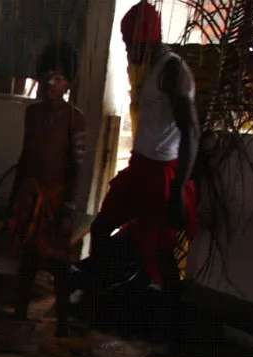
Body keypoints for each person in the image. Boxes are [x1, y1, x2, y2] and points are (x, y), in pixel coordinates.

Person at [88, 0, 199, 322]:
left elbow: (191, 131)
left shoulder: (173, 71)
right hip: (140, 166)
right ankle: (95, 300)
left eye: (129, 44)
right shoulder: (154, 67)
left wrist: (177, 190)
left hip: (161, 172)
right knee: (101, 226)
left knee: (161, 251)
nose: (127, 51)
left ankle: (173, 325)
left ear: (146, 39)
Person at [0, 43, 88, 351]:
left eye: (58, 78)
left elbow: (77, 168)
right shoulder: (33, 113)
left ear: (69, 83)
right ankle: (21, 313)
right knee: (26, 258)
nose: (51, 84)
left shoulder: (75, 119)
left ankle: (62, 322)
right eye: (47, 76)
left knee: (59, 264)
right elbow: (25, 157)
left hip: (55, 202)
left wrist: (68, 209)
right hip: (28, 197)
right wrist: (14, 200)